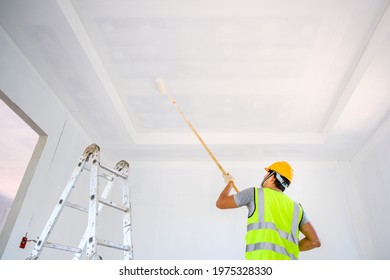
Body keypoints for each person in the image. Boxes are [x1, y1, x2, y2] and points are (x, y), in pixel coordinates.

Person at [216, 161, 320, 260]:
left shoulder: (254, 194)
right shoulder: (297, 208)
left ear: (273, 177)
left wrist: (230, 183)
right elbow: (314, 241)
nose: (264, 176)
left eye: (267, 173)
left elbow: (221, 203)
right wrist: (286, 248)